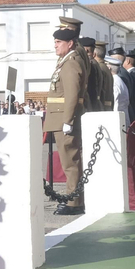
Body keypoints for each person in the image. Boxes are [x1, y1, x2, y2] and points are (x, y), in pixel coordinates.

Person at [43, 26, 88, 215]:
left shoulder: (71, 63)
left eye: (58, 42)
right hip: (60, 117)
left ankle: (74, 201)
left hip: (64, 118)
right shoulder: (65, 61)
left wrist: (68, 120)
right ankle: (73, 198)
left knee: (70, 161)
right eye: (54, 42)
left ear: (70, 44)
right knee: (68, 161)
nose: (55, 45)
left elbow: (71, 94)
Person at [104, 49, 130, 118]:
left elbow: (116, 104)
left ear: (108, 68)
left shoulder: (114, 82)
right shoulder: (119, 80)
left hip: (118, 120)